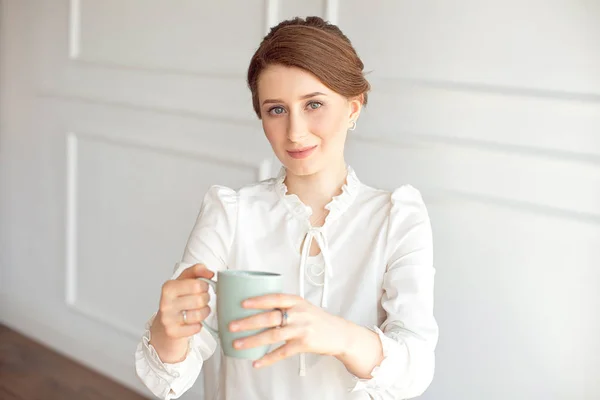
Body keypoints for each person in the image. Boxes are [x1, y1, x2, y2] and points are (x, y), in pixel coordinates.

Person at [135, 16, 438, 400]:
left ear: (353, 107)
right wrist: (170, 331)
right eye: (276, 110)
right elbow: (170, 374)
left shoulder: (397, 218)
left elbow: (415, 370)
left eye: (314, 104)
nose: (295, 132)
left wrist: (338, 335)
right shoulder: (230, 213)